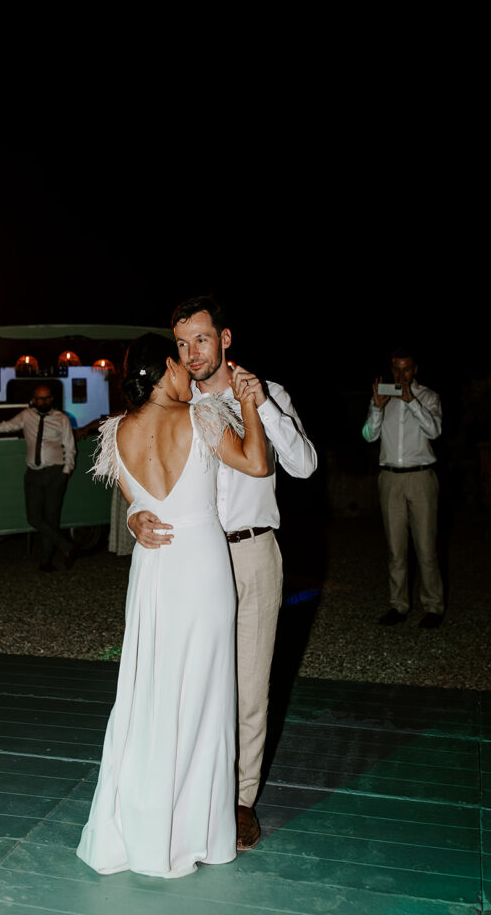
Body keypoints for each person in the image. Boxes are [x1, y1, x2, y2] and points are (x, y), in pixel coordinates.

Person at [128, 297, 317, 851]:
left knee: (249, 685)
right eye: (182, 344)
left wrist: (264, 407)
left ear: (225, 339)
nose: (192, 354)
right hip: (193, 559)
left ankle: (239, 802)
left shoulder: (268, 394)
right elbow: (145, 468)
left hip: (252, 551)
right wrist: (137, 515)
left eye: (202, 340)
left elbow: (304, 465)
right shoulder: (176, 406)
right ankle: (190, 791)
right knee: (192, 680)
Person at [77, 333, 268, 878]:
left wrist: (135, 515)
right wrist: (249, 405)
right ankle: (193, 832)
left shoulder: (118, 432)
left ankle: (141, 827)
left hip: (153, 570)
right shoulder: (202, 416)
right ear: (167, 365)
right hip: (202, 569)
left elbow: (135, 501)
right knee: (205, 696)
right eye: (181, 361)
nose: (190, 370)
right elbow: (257, 463)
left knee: (150, 692)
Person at [362, 349, 444, 628]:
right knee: (395, 549)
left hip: (421, 478)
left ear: (415, 369)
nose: (401, 374)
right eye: (396, 368)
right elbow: (368, 435)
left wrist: (411, 402)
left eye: (406, 368)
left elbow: (435, 431)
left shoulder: (429, 397)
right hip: (390, 479)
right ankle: (398, 605)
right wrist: (376, 407)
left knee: (426, 547)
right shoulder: (382, 396)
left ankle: (433, 606)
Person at [0, 384, 77, 572]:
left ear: (52, 398)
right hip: (34, 473)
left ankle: (46, 562)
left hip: (55, 472)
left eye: (47, 398)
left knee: (51, 518)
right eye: (40, 399)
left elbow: (70, 447)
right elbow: (7, 425)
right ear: (33, 400)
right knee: (34, 517)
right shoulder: (27, 415)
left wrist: (66, 472)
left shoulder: (62, 418)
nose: (43, 402)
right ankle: (67, 546)